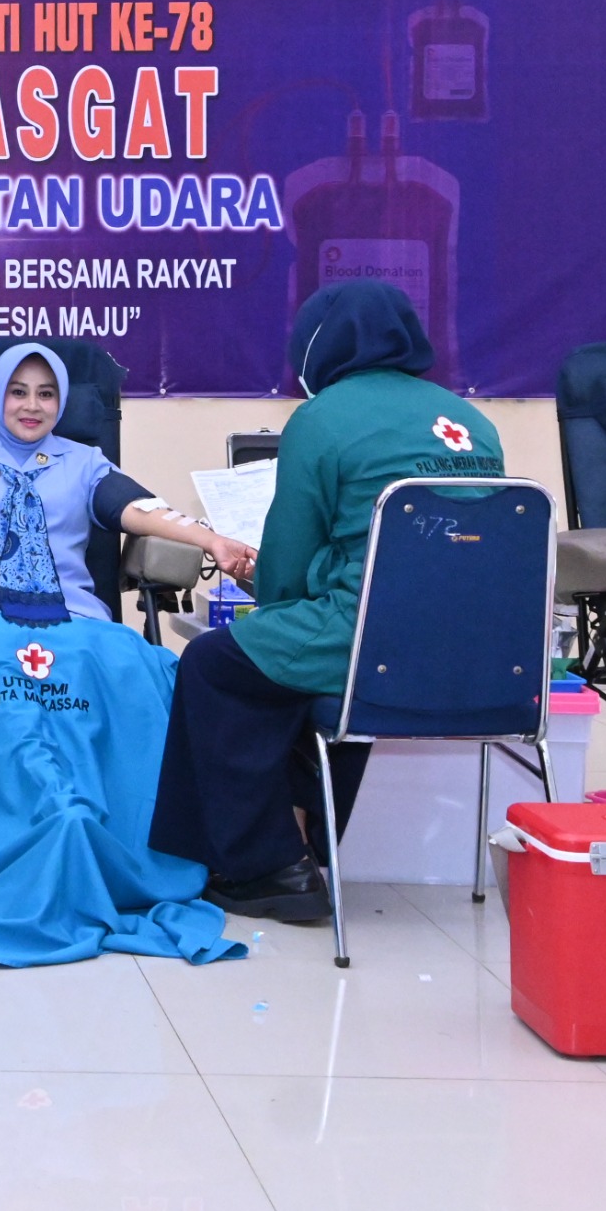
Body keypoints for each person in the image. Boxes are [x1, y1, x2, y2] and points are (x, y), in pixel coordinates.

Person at [0, 342, 259, 967]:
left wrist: (212, 540)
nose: (32, 406)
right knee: (1, 681)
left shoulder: (83, 462)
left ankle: (116, 834)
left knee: (136, 667)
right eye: (18, 392)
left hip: (75, 617)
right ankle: (25, 827)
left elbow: (141, 509)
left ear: (62, 402)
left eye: (47, 393)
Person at [151, 280, 505, 921]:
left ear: (319, 343)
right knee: (295, 672)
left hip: (368, 638)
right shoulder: (473, 422)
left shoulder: (322, 418)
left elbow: (288, 564)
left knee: (214, 664)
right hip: (478, 652)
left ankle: (268, 867)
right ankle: (315, 843)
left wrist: (272, 591)